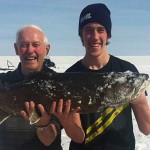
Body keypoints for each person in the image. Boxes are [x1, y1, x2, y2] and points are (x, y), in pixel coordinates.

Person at [64, 3, 150, 150]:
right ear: (81, 34)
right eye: (88, 30)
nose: (95, 36)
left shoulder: (126, 71)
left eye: (100, 30)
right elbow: (77, 136)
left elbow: (146, 128)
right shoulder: (70, 76)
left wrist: (139, 100)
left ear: (108, 34)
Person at [0, 24, 62, 150]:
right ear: (16, 49)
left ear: (47, 49)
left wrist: (41, 124)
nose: (29, 50)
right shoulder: (3, 82)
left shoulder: (59, 84)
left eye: (36, 44)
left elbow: (49, 140)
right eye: (23, 45)